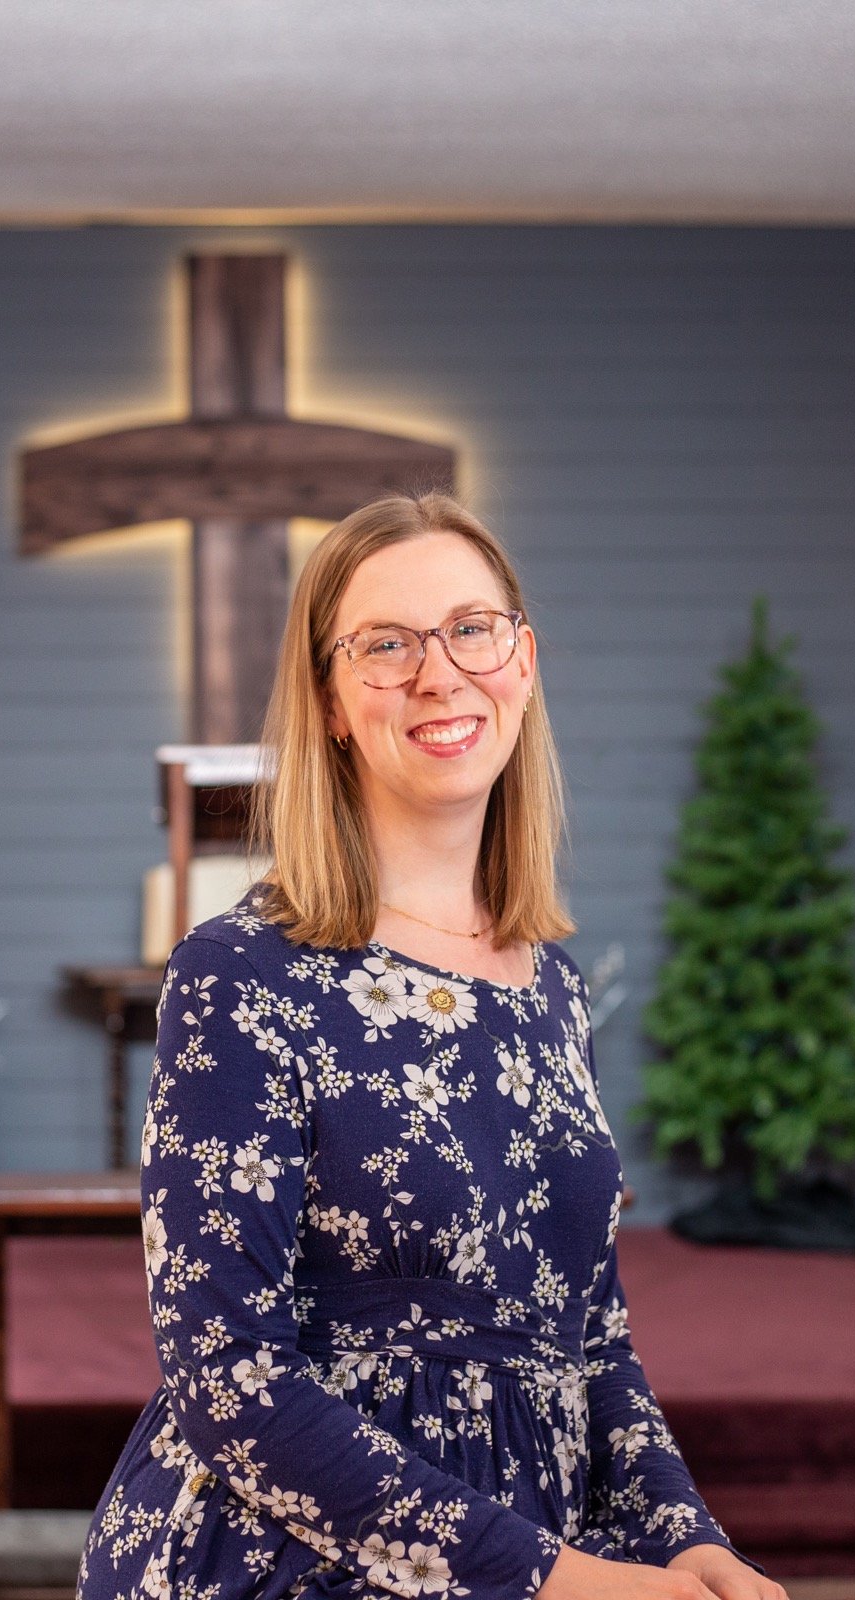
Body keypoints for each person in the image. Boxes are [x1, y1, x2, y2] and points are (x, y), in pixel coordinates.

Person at [80, 495, 783, 1600]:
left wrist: (689, 1541)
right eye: (387, 645)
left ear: (523, 662)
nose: (440, 674)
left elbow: (590, 1339)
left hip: (534, 1554)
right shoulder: (241, 972)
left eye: (471, 630)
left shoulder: (552, 987)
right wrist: (555, 1579)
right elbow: (227, 1377)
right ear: (330, 701)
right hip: (288, 1558)